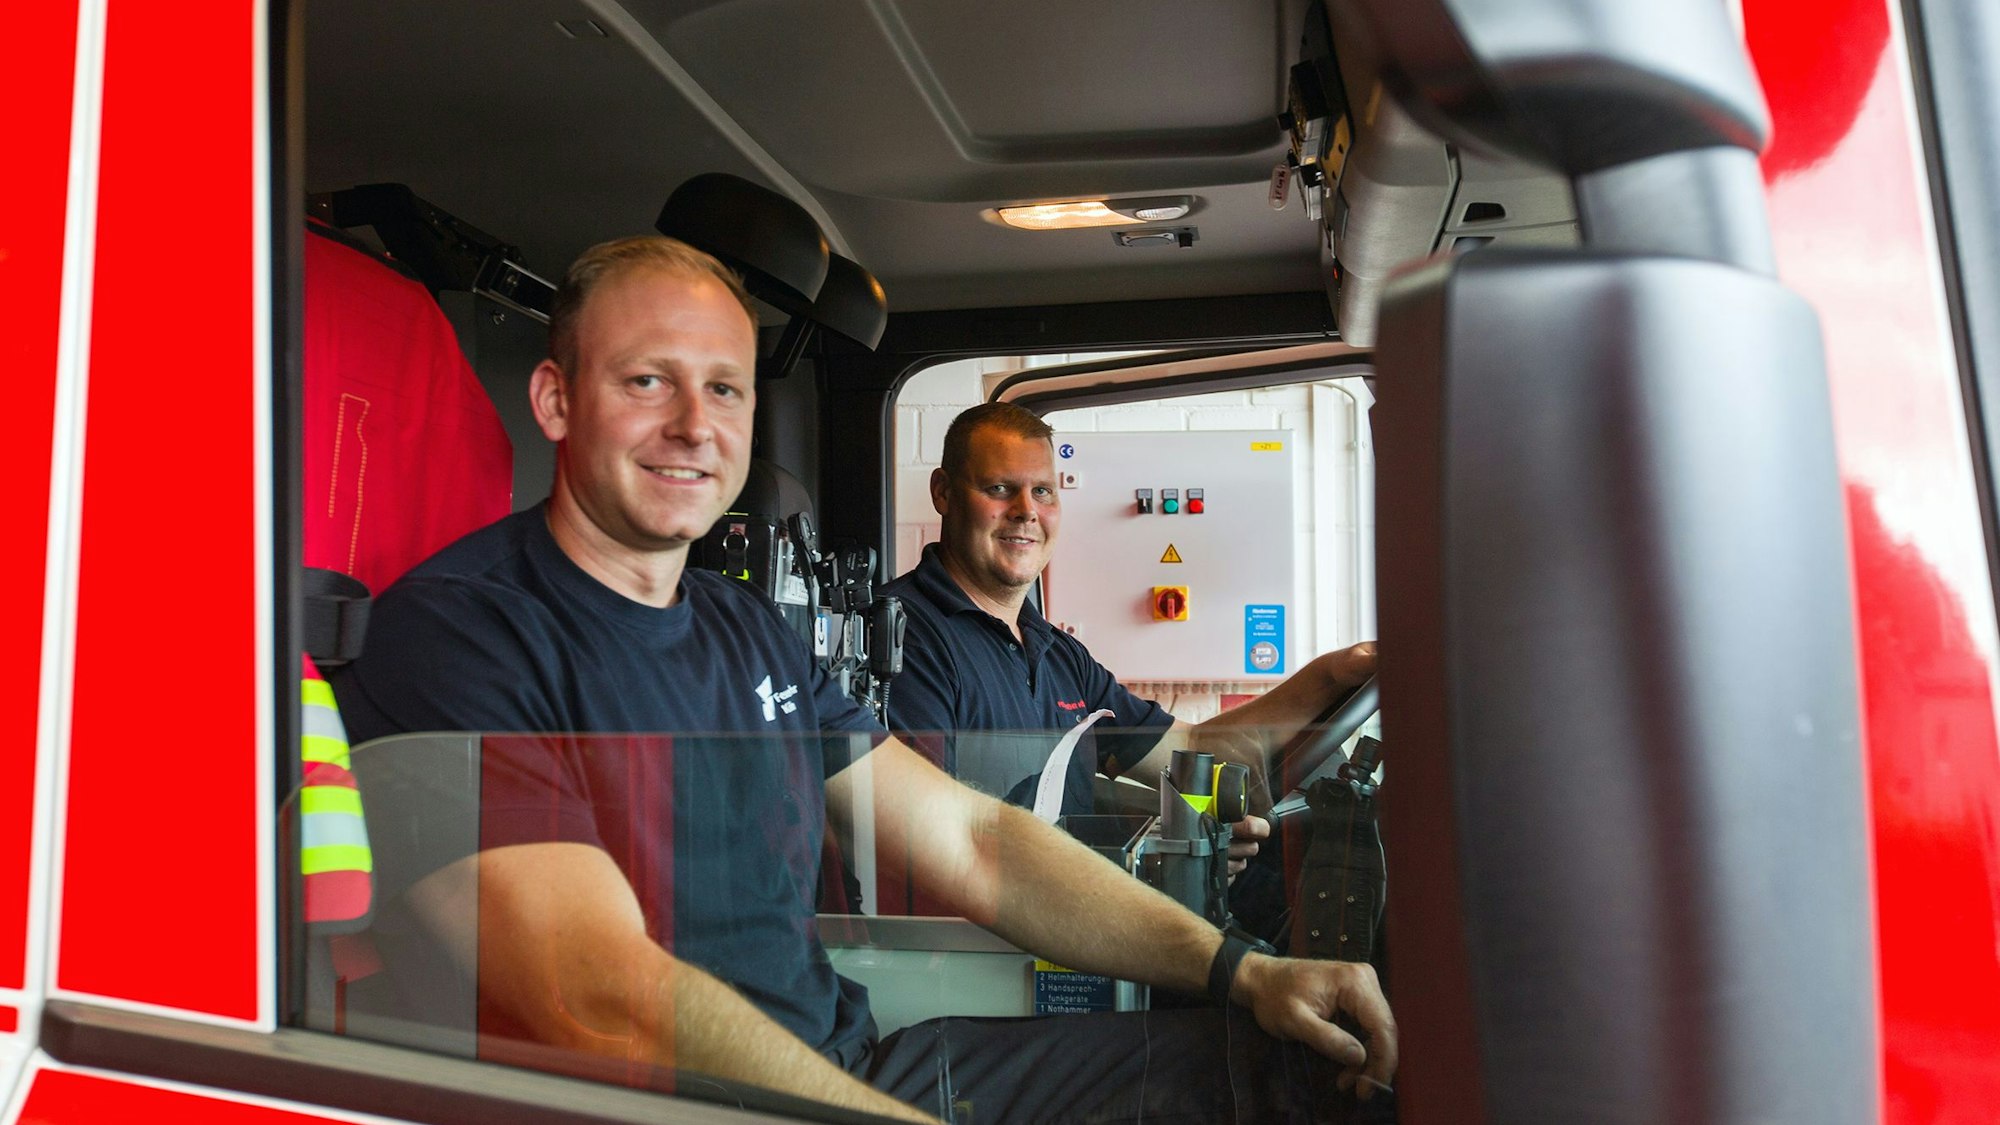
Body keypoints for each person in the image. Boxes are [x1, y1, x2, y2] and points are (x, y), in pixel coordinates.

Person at [340, 235, 1395, 1124]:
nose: (693, 427)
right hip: (688, 1105)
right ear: (556, 400)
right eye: (645, 381)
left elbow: (973, 842)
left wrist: (1243, 972)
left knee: (1304, 1072)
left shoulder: (746, 631)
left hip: (841, 1071)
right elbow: (592, 995)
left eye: (723, 389)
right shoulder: (458, 633)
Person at [882, 402, 1376, 864]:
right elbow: (938, 842)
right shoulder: (902, 637)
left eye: (1043, 491)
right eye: (999, 489)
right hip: (989, 946)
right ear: (943, 493)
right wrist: (1143, 864)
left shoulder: (1058, 653)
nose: (1026, 511)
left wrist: (1331, 674)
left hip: (1068, 921)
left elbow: (1199, 747)